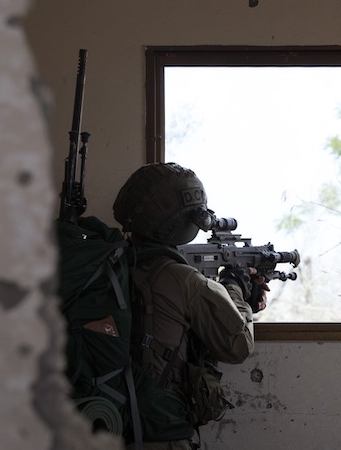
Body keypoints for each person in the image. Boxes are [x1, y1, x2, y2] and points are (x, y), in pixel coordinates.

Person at [112, 162, 268, 450]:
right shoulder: (183, 278)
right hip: (159, 431)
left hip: (107, 420)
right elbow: (238, 345)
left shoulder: (114, 264)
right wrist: (235, 286)